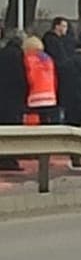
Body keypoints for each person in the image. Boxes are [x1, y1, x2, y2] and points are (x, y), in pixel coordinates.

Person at [0, 30, 27, 167]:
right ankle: (10, 159)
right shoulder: (18, 55)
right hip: (14, 97)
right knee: (13, 126)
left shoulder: (3, 52)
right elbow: (20, 76)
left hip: (2, 95)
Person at [22, 35, 59, 124]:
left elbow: (29, 77)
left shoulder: (28, 59)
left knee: (34, 123)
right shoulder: (48, 58)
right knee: (46, 121)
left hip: (35, 97)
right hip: (50, 97)